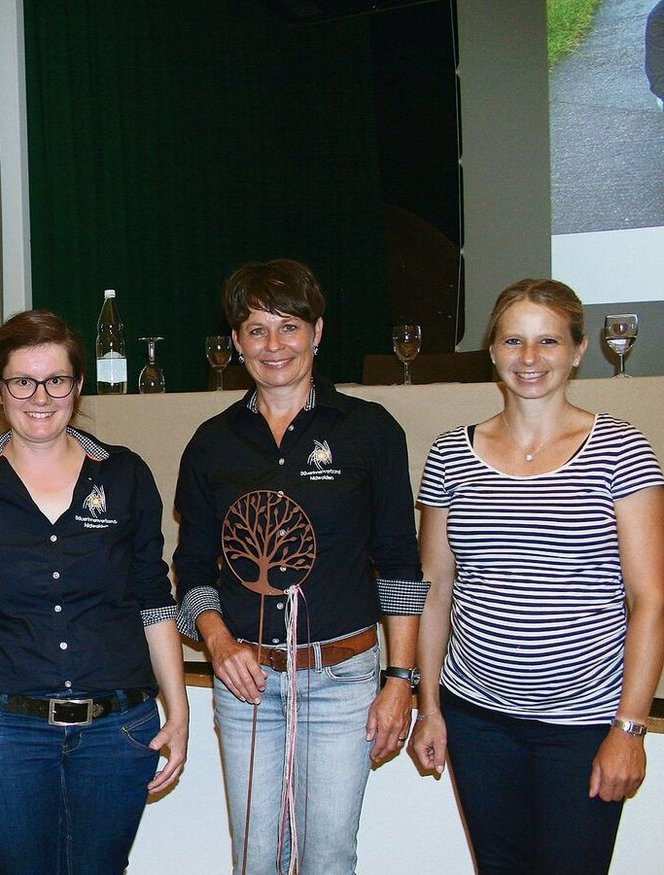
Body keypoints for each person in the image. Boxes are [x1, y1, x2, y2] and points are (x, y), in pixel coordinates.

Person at [173, 259, 425, 874]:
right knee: (255, 859)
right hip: (248, 686)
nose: (274, 345)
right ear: (236, 343)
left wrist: (400, 681)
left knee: (328, 859)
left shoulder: (371, 431)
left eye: (289, 326)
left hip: (343, 681)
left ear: (318, 333)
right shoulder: (211, 443)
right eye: (256, 330)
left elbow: (400, 565)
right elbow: (191, 568)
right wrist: (217, 640)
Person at [409, 279, 664, 874]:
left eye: (548, 341)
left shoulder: (622, 449)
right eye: (513, 341)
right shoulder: (449, 454)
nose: (529, 357)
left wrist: (630, 728)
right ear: (492, 350)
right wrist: (430, 706)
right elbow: (434, 591)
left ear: (578, 350)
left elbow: (650, 600)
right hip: (476, 718)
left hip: (584, 726)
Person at [0, 310, 188, 875]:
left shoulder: (125, 476)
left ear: (78, 385)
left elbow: (155, 601)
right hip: (3, 734)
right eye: (22, 381)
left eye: (57, 380)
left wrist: (180, 710)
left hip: (118, 731)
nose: (40, 397)